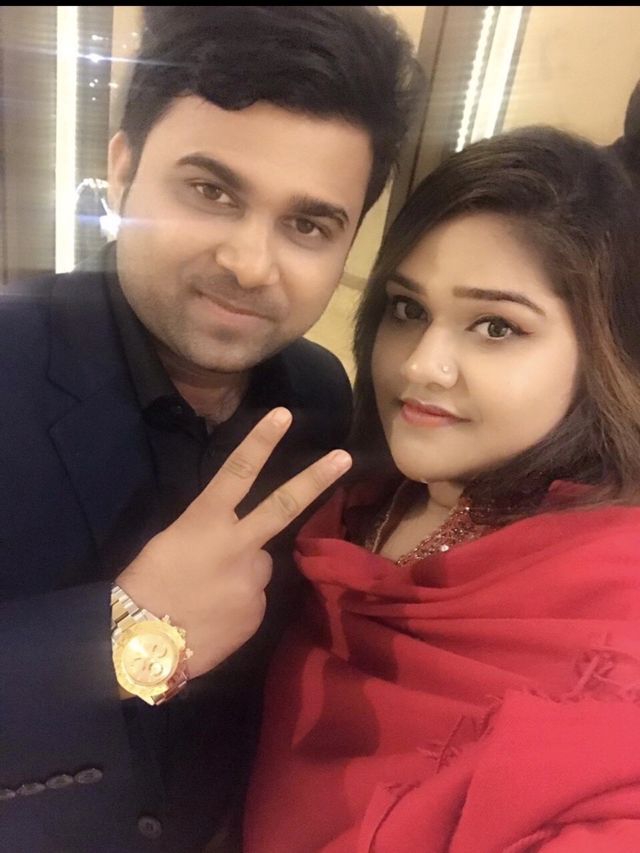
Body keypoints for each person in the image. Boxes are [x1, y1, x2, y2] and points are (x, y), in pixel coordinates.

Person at [0, 6, 422, 852]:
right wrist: (122, 635)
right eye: (211, 191)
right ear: (122, 168)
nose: (249, 264)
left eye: (307, 224)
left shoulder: (321, 398)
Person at [244, 126, 640, 852]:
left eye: (496, 326)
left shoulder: (609, 595)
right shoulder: (353, 497)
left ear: (602, 351)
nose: (422, 366)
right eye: (408, 309)